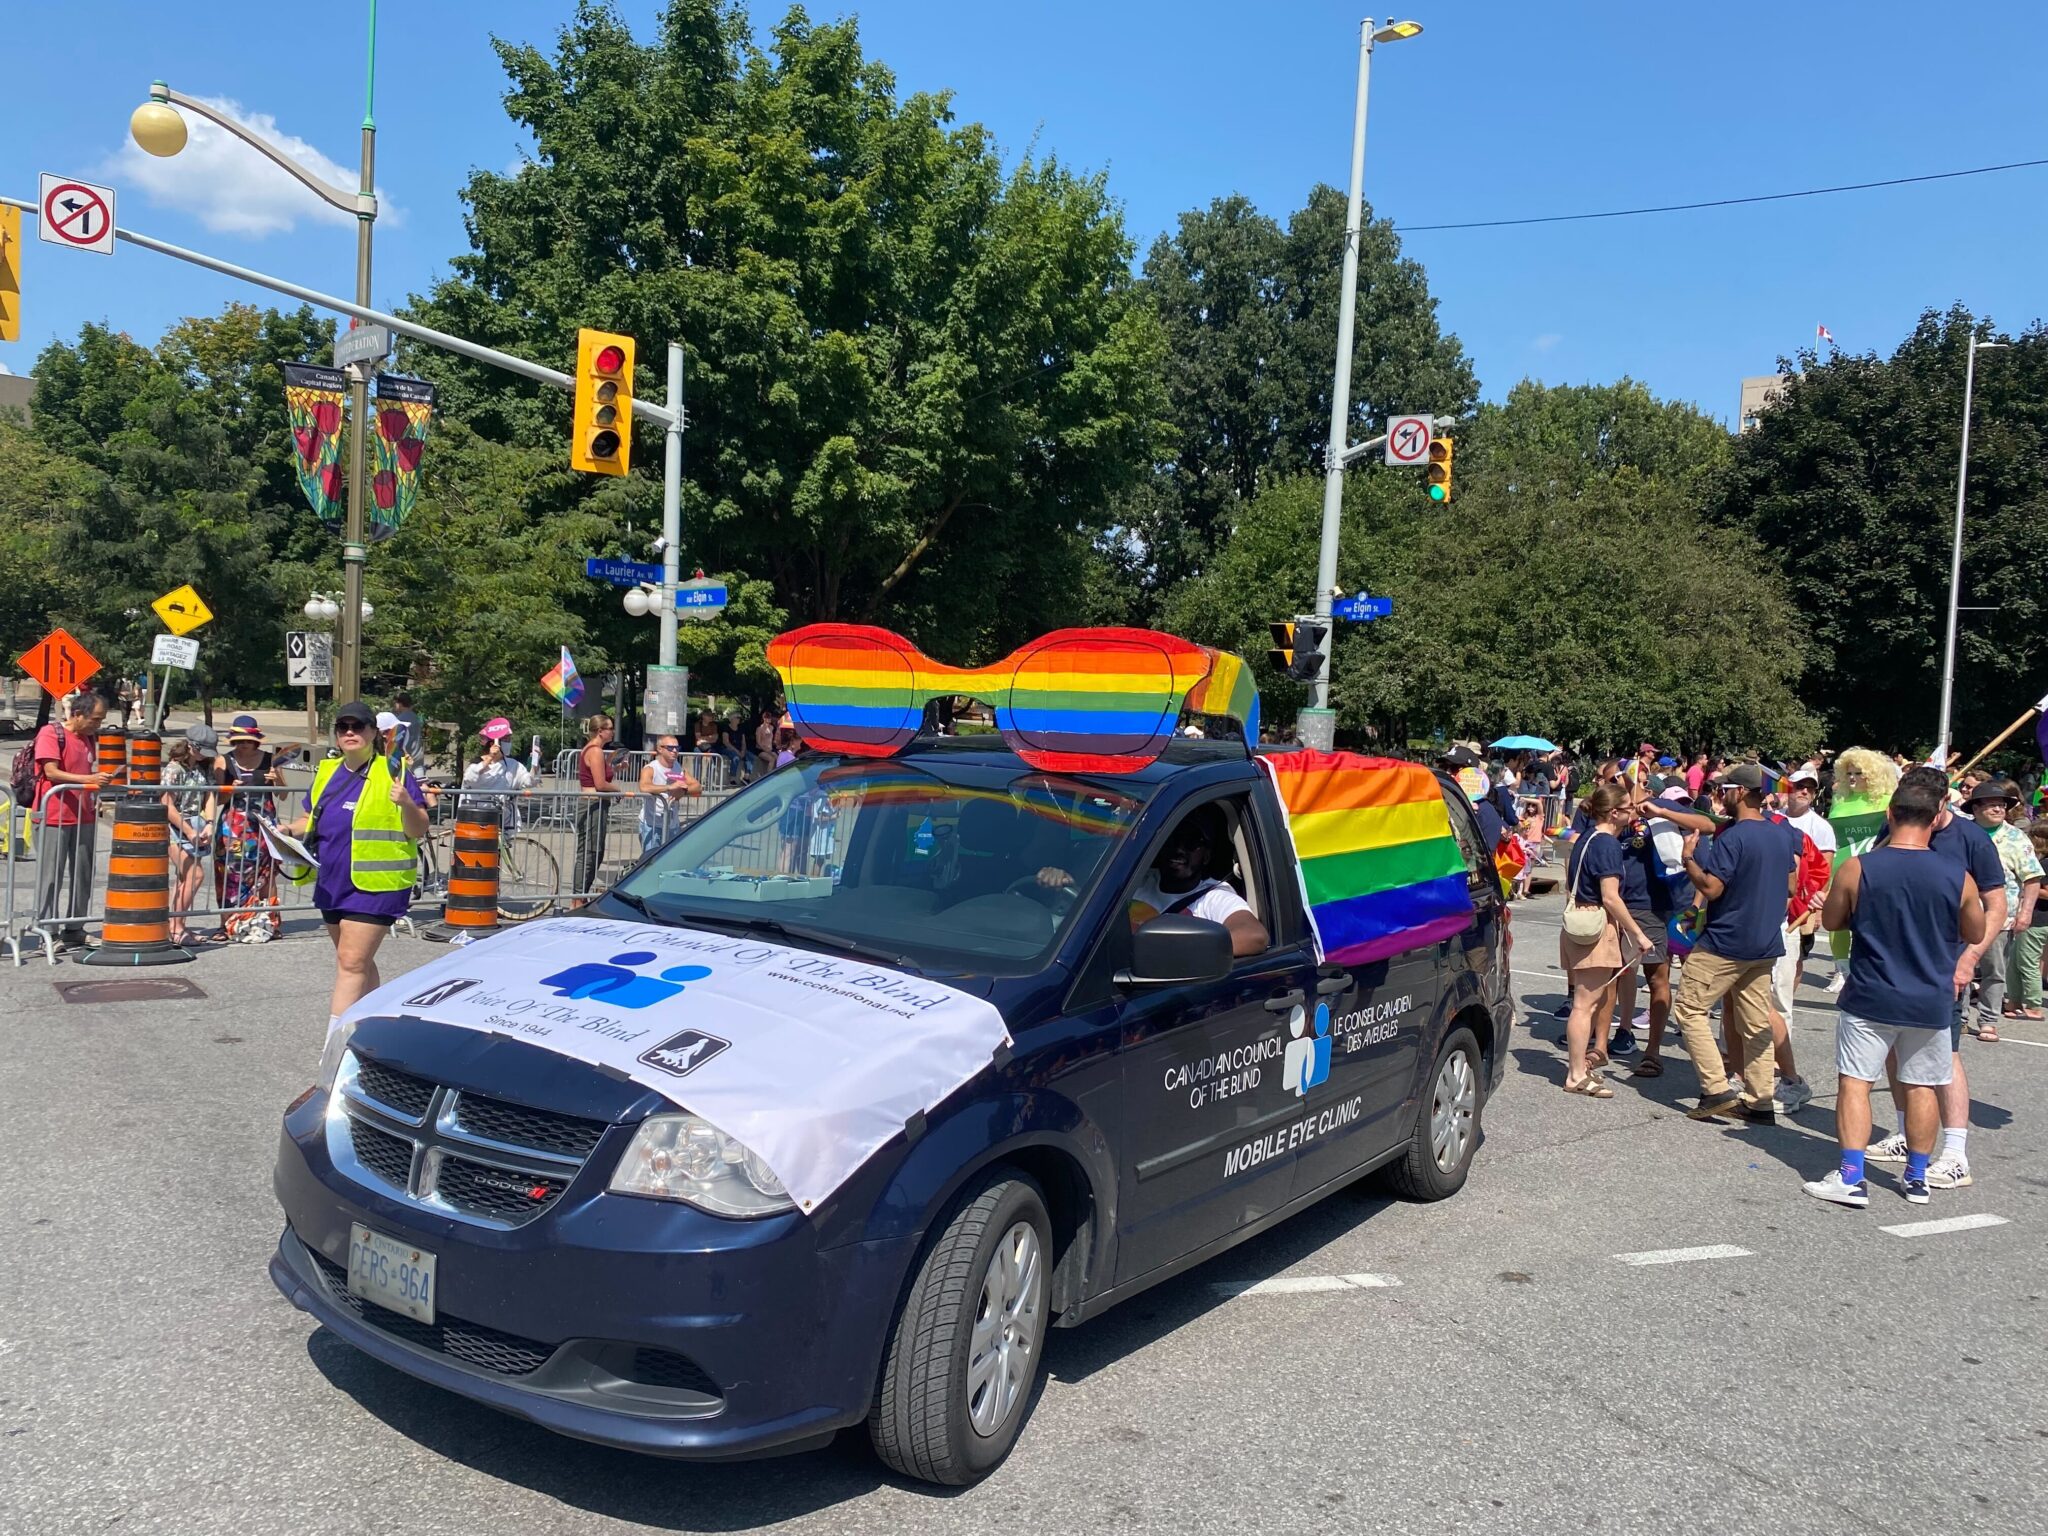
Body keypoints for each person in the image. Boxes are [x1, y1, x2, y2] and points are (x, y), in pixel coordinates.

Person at [1805, 774, 1985, 1207]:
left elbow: (1831, 921)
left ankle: (1851, 1176)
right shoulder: (1956, 875)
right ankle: (1917, 1177)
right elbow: (1975, 929)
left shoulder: (1858, 867)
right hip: (1929, 998)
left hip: (1871, 994)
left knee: (1856, 1084)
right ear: (1937, 816)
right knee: (1922, 1085)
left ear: (1890, 813)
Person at [1865, 765, 2006, 1191]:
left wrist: (1970, 958)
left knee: (1944, 1058)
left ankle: (1956, 1153)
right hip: (1892, 966)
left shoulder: (1971, 840)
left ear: (1944, 804)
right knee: (1894, 1053)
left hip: (1945, 965)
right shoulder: (1894, 827)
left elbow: (1994, 905)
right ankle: (1908, 1134)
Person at [286, 701, 430, 1032]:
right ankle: (373, 1028)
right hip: (333, 882)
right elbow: (309, 818)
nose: (350, 732)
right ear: (337, 735)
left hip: (378, 884)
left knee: (351, 963)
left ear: (372, 733)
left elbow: (419, 828)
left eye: (358, 726)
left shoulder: (394, 770)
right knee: (357, 963)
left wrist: (407, 803)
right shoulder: (327, 772)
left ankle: (334, 1047)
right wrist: (284, 831)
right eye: (343, 727)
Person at [1670, 763, 1798, 1121]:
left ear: (1740, 792)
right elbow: (1791, 885)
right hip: (1765, 943)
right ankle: (1760, 1101)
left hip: (1726, 941)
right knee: (1755, 1022)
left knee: (1691, 1009)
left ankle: (1716, 1090)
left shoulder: (1734, 837)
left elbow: (1711, 887)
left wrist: (1688, 860)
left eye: (1725, 790)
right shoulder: (1779, 833)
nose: (1720, 796)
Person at [1557, 786, 1654, 1098]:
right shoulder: (1608, 844)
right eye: (1628, 808)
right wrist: (1638, 934)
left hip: (1580, 923)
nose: (1633, 812)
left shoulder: (1586, 837)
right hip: (1595, 926)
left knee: (1588, 1002)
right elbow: (1610, 897)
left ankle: (1578, 1067)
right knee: (1584, 1005)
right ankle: (1575, 1074)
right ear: (1614, 813)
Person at [1122, 805, 1269, 957]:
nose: (1179, 849)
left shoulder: (1215, 898)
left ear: (1206, 856)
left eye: (1191, 842)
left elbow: (1255, 936)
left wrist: (1180, 952)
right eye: (1172, 839)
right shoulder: (1137, 881)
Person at [1962, 780, 2042, 1041]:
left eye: (2002, 805)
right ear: (1975, 808)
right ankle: (1958, 1016)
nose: (1998, 809)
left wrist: (2025, 913)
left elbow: (2031, 878)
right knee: (1958, 966)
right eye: (1991, 805)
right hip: (1961, 914)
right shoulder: (1961, 833)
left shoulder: (2016, 838)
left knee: (1994, 971)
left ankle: (1988, 1020)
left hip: (2000, 917)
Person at [32, 691, 110, 952]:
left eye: (100, 720)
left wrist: (94, 788)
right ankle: (48, 930)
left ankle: (74, 928)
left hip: (82, 814)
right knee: (51, 875)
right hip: (54, 814)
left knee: (83, 874)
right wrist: (89, 781)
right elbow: (50, 771)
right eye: (95, 719)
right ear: (78, 714)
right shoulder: (51, 733)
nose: (97, 725)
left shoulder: (88, 738)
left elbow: (86, 769)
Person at [162, 732, 218, 946]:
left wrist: (210, 824)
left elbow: (210, 795)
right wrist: (188, 830)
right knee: (195, 875)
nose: (205, 756)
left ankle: (178, 925)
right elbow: (167, 804)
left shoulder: (204, 767)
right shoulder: (174, 769)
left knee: (185, 878)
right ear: (191, 746)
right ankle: (175, 927)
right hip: (175, 827)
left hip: (197, 824)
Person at [573, 713, 622, 898]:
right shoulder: (595, 750)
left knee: (594, 852)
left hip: (596, 804)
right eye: (610, 728)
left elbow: (600, 776)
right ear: (600, 731)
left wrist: (614, 768)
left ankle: (580, 895)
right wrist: (618, 790)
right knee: (589, 853)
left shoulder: (594, 751)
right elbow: (600, 784)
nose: (613, 732)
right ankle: (578, 897)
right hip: (592, 804)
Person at [460, 717, 532, 829]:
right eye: (506, 740)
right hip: (476, 817)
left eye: (509, 739)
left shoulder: (513, 764)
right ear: (493, 743)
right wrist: (490, 758)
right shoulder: (477, 763)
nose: (509, 743)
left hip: (502, 818)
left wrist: (535, 765)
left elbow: (528, 782)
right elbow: (469, 778)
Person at [638, 735, 702, 855]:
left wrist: (682, 791)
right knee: (651, 861)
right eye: (670, 748)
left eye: (677, 748)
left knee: (670, 860)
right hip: (652, 824)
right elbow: (644, 787)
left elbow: (697, 786)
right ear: (660, 749)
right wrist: (668, 788)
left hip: (672, 824)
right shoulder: (651, 768)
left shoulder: (678, 767)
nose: (675, 751)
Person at [2013, 820, 2048, 1022]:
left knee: (2027, 962)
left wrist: (2030, 888)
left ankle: (2034, 1005)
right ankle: (2014, 1001)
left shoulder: (2043, 864)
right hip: (2036, 919)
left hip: (2038, 919)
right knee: (2016, 962)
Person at [391, 692, 423, 761]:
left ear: (400, 704)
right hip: (418, 755)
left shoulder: (400, 720)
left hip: (407, 758)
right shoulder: (416, 717)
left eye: (395, 703)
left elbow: (396, 739)